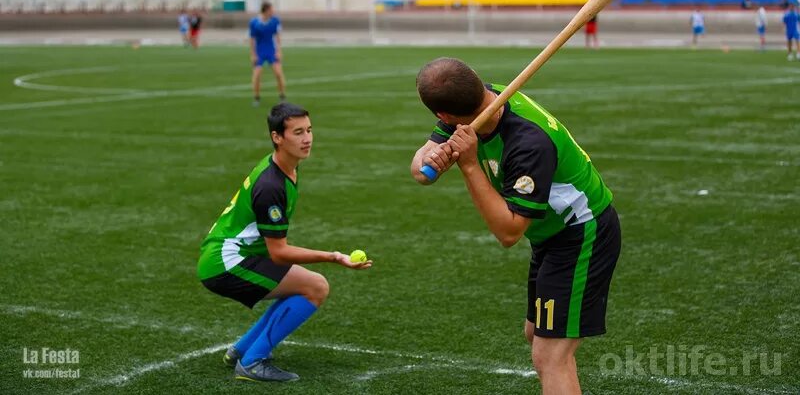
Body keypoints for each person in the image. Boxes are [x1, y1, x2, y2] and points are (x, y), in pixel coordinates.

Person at [410, 58, 621, 395]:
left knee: (549, 354)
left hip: (582, 234)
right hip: (550, 237)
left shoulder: (527, 144)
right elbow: (420, 173)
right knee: (537, 332)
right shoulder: (477, 100)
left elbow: (509, 232)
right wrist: (433, 157)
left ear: (443, 115)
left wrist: (468, 166)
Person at [197, 102, 372, 382]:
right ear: (277, 137)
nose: (307, 139)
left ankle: (240, 350)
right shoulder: (271, 186)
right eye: (298, 132)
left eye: (310, 130)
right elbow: (279, 253)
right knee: (315, 286)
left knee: (302, 284)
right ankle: (252, 362)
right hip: (225, 264)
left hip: (231, 256)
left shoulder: (285, 167)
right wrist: (333, 256)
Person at [250, 2, 287, 106]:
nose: (273, 11)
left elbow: (277, 36)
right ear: (266, 10)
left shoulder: (275, 21)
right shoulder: (254, 22)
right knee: (257, 75)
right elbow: (252, 39)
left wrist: (279, 51)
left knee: (278, 74)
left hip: (272, 50)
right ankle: (256, 98)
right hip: (260, 51)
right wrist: (253, 54)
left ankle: (282, 96)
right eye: (271, 9)